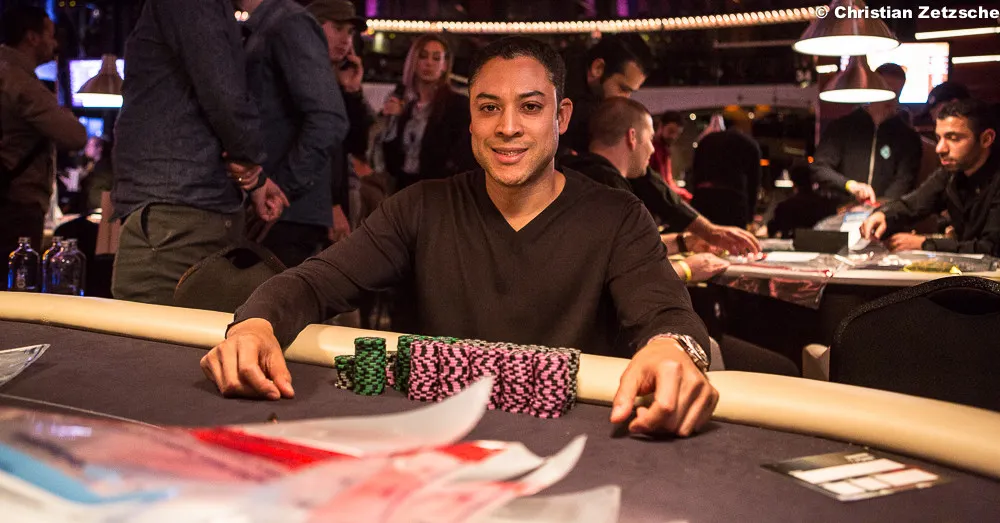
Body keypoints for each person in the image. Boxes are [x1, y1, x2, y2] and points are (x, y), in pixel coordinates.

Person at [201, 36, 718, 437]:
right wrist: (254, 327)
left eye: (530, 107)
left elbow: (667, 315)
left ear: (561, 117)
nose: (507, 127)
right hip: (434, 445)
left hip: (577, 445)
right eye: (489, 107)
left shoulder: (618, 215)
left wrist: (672, 351)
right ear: (471, 118)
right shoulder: (420, 207)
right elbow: (316, 281)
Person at [111, 0, 286, 305]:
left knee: (146, 333)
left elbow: (225, 96)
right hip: (188, 208)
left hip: (175, 214)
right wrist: (254, 173)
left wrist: (251, 162)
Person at [559, 97, 731, 283]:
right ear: (632, 137)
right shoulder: (610, 189)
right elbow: (626, 276)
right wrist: (688, 268)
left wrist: (684, 242)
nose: (652, 149)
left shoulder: (573, 174)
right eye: (650, 139)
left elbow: (627, 250)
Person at [239, 0, 348, 268]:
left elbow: (328, 120)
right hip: (277, 211)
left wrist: (279, 189)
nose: (346, 39)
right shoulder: (270, 23)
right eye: (339, 28)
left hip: (286, 216)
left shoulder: (288, 22)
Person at [0, 6, 87, 288]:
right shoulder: (21, 82)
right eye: (50, 35)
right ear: (32, 37)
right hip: (15, 206)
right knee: (16, 293)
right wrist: (65, 116)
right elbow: (75, 136)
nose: (55, 43)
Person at [860, 99, 998, 254]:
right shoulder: (951, 173)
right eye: (939, 138)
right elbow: (912, 205)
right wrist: (884, 215)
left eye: (953, 138)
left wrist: (924, 243)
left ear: (986, 139)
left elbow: (991, 248)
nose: (940, 148)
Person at [305, 0, 374, 240]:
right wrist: (331, 205)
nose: (346, 39)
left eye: (350, 32)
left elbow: (356, 145)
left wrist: (352, 91)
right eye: (338, 28)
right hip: (307, 209)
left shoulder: (332, 81)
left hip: (329, 202)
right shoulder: (304, 79)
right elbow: (318, 152)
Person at [810, 63, 922, 205]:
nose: (892, 98)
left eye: (897, 92)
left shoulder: (908, 137)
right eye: (887, 89)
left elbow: (904, 182)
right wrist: (850, 185)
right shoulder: (843, 127)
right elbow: (819, 168)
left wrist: (878, 208)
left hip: (885, 214)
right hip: (841, 210)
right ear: (873, 87)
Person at [379, 34, 475, 190]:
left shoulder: (457, 105)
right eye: (423, 56)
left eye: (436, 58)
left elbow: (463, 158)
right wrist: (393, 122)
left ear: (445, 65)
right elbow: (392, 164)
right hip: (407, 191)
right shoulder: (407, 108)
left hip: (440, 192)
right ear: (414, 61)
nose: (429, 63)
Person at [561, 34, 652, 155]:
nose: (625, 98)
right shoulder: (554, 87)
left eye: (630, 92)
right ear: (598, 68)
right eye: (623, 88)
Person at [689, 118, 762, 227]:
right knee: (732, 236)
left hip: (703, 198)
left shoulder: (706, 140)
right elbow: (754, 183)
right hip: (734, 201)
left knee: (701, 236)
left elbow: (694, 175)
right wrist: (750, 216)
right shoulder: (750, 143)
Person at [650, 111, 692, 201]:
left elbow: (667, 182)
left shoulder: (665, 150)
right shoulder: (652, 149)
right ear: (661, 126)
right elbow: (659, 183)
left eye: (677, 134)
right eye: (671, 131)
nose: (674, 137)